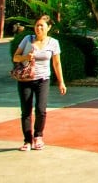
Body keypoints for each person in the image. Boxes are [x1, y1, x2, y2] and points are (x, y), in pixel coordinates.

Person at [12, 14, 67, 151]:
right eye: (37, 25)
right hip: (25, 80)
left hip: (43, 80)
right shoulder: (27, 39)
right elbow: (15, 57)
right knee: (26, 111)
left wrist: (61, 82)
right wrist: (26, 57)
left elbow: (57, 63)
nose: (39, 28)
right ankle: (27, 141)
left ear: (49, 27)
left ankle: (38, 136)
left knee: (41, 110)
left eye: (42, 26)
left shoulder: (53, 43)